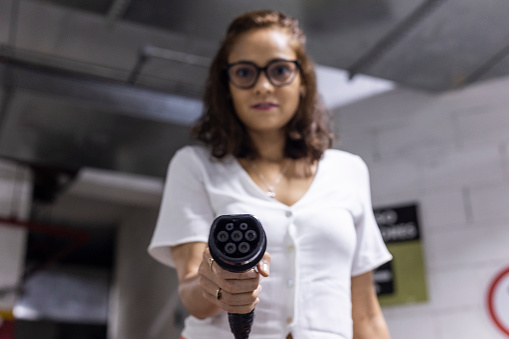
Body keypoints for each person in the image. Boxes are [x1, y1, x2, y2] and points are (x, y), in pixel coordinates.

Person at [148, 9, 392, 339]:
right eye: (245, 72)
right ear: (227, 85)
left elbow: (365, 314)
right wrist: (217, 280)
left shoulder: (348, 171)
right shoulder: (195, 166)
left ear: (303, 80)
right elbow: (194, 297)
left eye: (279, 70)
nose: (263, 86)